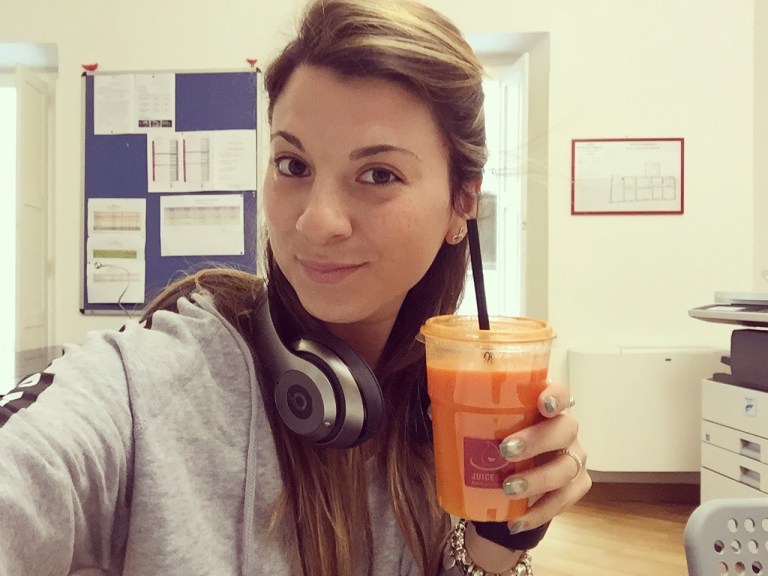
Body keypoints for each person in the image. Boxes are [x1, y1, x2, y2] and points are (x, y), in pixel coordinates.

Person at [0, 0, 591, 574]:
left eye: (378, 174)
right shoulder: (153, 382)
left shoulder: (447, 403)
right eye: (293, 165)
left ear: (463, 199)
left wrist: (494, 545)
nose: (316, 221)